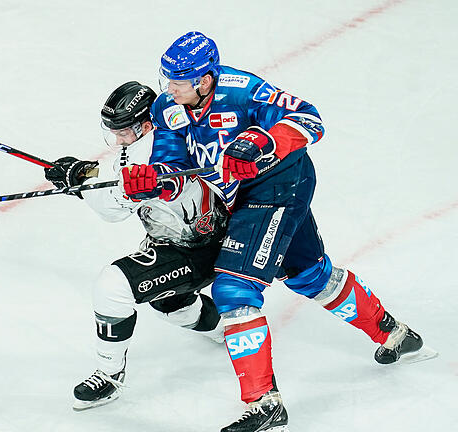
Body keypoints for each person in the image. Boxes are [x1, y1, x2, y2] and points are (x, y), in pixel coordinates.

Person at [119, 31, 430, 432]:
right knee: (308, 275)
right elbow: (173, 167)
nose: (169, 89)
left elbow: (308, 118)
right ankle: (393, 333)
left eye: (179, 81)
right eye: (167, 80)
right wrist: (155, 181)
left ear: (206, 78)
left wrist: (262, 140)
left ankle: (264, 402)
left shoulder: (244, 90)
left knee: (234, 289)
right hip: (239, 197)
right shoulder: (168, 108)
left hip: (280, 187)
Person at [44, 81, 230, 411]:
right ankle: (225, 331)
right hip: (187, 241)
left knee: (113, 285)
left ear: (145, 124)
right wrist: (83, 177)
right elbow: (115, 188)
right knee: (171, 306)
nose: (117, 139)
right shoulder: (154, 141)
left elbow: (112, 208)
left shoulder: (156, 154)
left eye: (123, 131)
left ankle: (110, 374)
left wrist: (81, 183)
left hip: (198, 248)